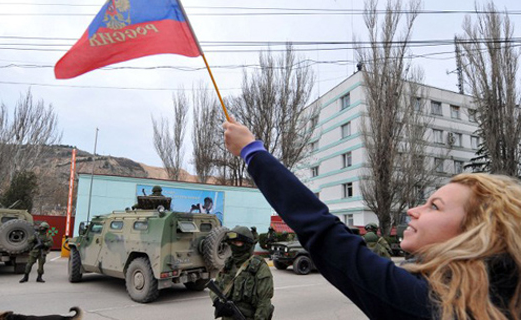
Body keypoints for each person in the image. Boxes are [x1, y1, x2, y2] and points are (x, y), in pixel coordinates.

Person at [223, 117, 521, 320]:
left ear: (474, 233)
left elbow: (325, 233)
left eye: (435, 206)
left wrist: (252, 151)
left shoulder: (432, 305)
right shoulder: (500, 299)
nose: (412, 211)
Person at [210, 226, 274, 320]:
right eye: (231, 242)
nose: (233, 245)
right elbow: (216, 286)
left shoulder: (258, 267)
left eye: (237, 242)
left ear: (246, 244)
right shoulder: (229, 264)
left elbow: (264, 302)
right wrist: (216, 301)